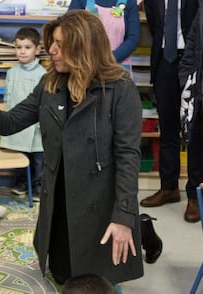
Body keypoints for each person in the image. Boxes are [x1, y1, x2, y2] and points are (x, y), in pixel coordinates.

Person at [0, 10, 144, 284]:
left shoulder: (121, 89)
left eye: (59, 44)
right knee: (63, 275)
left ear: (83, 46)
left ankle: (144, 228)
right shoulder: (49, 83)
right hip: (59, 199)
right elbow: (9, 122)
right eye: (51, 42)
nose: (50, 50)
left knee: (94, 281)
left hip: (99, 203)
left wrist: (124, 217)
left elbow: (128, 157)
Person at [140, 0, 200, 223]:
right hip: (164, 60)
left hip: (193, 60)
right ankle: (169, 188)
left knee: (194, 130)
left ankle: (194, 195)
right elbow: (155, 25)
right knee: (168, 128)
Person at [0, 27, 46, 199]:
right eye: (18, 47)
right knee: (19, 156)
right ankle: (21, 183)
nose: (22, 51)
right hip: (17, 124)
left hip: (36, 127)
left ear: (37, 49)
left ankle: (38, 187)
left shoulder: (43, 74)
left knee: (39, 159)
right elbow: (8, 97)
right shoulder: (11, 72)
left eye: (27, 47)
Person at [178, 3, 203, 224]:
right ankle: (194, 198)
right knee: (195, 148)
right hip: (199, 94)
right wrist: (186, 79)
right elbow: (190, 51)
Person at [68, 0, 140, 68]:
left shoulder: (129, 2)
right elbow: (70, 32)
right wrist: (89, 58)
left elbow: (133, 38)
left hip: (118, 67)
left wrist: (110, 58)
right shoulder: (80, 1)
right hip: (86, 65)